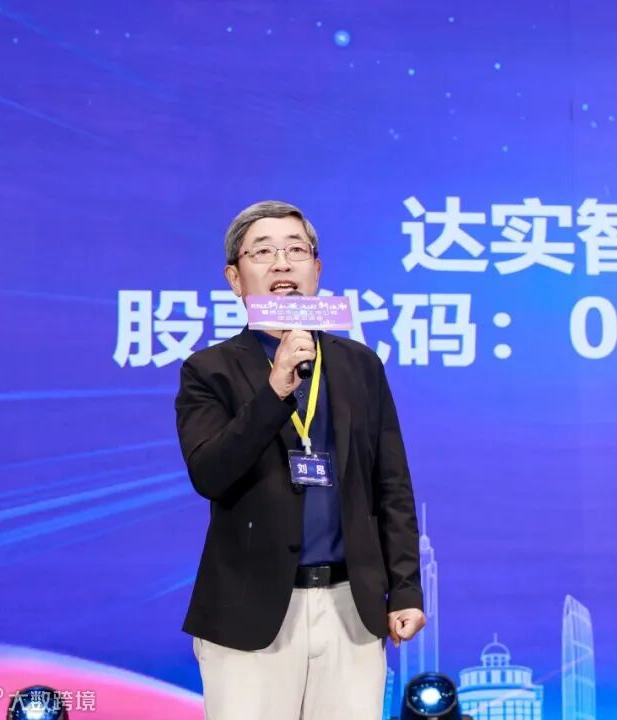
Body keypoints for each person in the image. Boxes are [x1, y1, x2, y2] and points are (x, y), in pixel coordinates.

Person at [174, 200, 426, 719]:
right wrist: (273, 390)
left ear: (317, 269)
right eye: (263, 252)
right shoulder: (208, 371)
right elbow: (210, 473)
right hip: (250, 613)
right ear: (234, 278)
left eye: (296, 250)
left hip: (351, 609)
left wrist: (405, 589)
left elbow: (392, 485)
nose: (282, 264)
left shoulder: (360, 365)